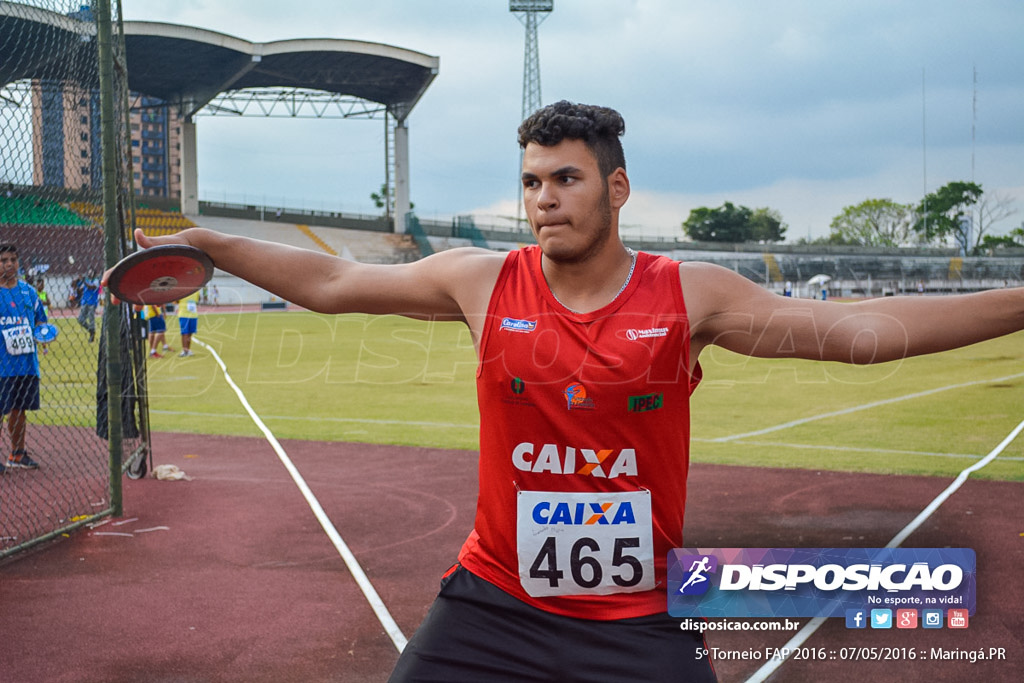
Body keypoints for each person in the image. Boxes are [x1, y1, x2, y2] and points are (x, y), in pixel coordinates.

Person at [104, 101, 1024, 682]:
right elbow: (337, 286)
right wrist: (215, 244)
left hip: (638, 620)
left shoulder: (689, 294)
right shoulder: (481, 281)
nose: (545, 197)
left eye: (567, 178)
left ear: (616, 188)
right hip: (493, 604)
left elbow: (858, 334)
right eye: (533, 181)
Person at [0, 244, 47, 474]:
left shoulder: (29, 292)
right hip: (1, 363)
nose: (9, 264)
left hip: (26, 363)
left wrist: (44, 333)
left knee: (19, 410)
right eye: (4, 260)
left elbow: (41, 321)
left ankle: (17, 453)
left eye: (13, 260)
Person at [76, 269, 100, 342]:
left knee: (91, 319)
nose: (89, 274)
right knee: (80, 319)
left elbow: (90, 287)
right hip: (85, 302)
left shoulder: (96, 281)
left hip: (92, 303)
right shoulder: (86, 281)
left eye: (91, 272)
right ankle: (91, 330)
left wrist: (84, 281)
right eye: (89, 272)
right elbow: (80, 290)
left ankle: (92, 335)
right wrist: (77, 283)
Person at [175, 291, 200, 357]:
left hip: (193, 315)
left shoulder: (197, 290)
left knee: (190, 333)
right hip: (183, 315)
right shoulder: (182, 290)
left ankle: (188, 349)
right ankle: (184, 350)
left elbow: (196, 300)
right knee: (184, 333)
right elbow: (176, 301)